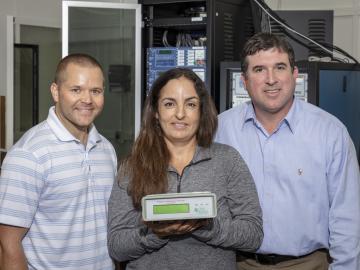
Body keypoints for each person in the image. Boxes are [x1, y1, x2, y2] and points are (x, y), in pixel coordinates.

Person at [215, 32, 360, 270]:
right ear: (244, 80)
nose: (271, 79)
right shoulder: (221, 130)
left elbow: (346, 218)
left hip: (308, 264)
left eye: (280, 67)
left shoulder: (330, 133)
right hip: (239, 263)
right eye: (259, 69)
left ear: (295, 75)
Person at [107, 67, 263, 270]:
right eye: (170, 104)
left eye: (190, 104)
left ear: (201, 111)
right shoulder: (132, 166)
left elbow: (253, 235)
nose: (180, 114)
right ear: (155, 112)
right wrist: (155, 234)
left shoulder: (227, 160)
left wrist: (207, 227)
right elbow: (116, 246)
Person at [0, 53, 117, 269]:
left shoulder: (106, 149)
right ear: (56, 91)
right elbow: (7, 244)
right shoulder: (29, 154)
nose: (87, 100)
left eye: (96, 91)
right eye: (76, 90)